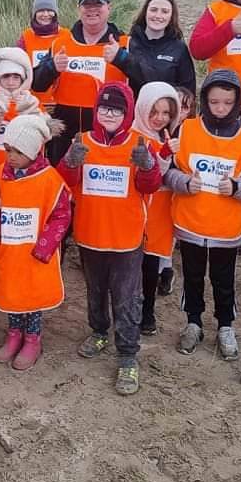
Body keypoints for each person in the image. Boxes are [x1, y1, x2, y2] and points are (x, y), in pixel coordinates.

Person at [57, 82, 163, 395]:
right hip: (90, 234)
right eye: (104, 108)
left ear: (127, 112)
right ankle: (99, 331)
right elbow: (66, 182)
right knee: (95, 290)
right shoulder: (82, 139)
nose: (109, 114)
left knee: (126, 297)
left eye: (116, 109)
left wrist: (146, 166)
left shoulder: (141, 143)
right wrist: (70, 162)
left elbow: (151, 186)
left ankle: (128, 354)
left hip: (126, 238)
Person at [165, 69, 241, 360]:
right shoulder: (186, 129)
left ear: (237, 103)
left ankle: (225, 325)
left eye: (226, 102)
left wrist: (239, 187)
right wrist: (183, 182)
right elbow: (168, 170)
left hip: (226, 227)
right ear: (204, 100)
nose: (220, 108)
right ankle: (193, 322)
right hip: (191, 222)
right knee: (193, 276)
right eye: (213, 102)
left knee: (223, 279)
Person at [0, 113, 72, 370]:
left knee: (32, 297)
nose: (10, 156)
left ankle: (32, 339)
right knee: (13, 292)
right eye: (8, 149)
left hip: (36, 253)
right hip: (10, 250)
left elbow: (62, 215)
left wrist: (46, 246)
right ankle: (14, 334)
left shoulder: (50, 179)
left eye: (18, 151)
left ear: (35, 150)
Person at [32, 0, 130, 163]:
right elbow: (36, 84)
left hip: (106, 129)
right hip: (64, 133)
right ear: (79, 10)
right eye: (87, 5)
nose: (92, 10)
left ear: (109, 7)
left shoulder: (124, 43)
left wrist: (122, 58)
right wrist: (52, 67)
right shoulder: (60, 43)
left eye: (97, 5)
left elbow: (145, 78)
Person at [131, 82, 182, 335]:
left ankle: (148, 309)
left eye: (166, 114)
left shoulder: (168, 138)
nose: (159, 118)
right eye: (154, 112)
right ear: (142, 108)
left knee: (151, 264)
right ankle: (131, 307)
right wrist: (163, 155)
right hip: (137, 208)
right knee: (133, 264)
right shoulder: (132, 136)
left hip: (160, 210)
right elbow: (149, 174)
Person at [0, 47, 51, 171]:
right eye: (6, 76)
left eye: (16, 77)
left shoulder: (33, 104)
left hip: (24, 171)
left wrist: (30, 112)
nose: (11, 82)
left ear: (23, 79)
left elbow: (46, 137)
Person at [120, 0, 196, 97]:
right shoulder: (128, 43)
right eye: (153, 10)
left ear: (171, 17)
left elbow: (188, 91)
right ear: (145, 12)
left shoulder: (179, 48)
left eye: (165, 12)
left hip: (165, 112)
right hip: (132, 110)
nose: (158, 15)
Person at [17, 0, 70, 110]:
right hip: (33, 104)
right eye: (41, 10)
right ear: (34, 13)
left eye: (49, 10)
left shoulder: (67, 35)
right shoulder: (26, 37)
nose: (45, 14)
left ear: (55, 13)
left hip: (61, 104)